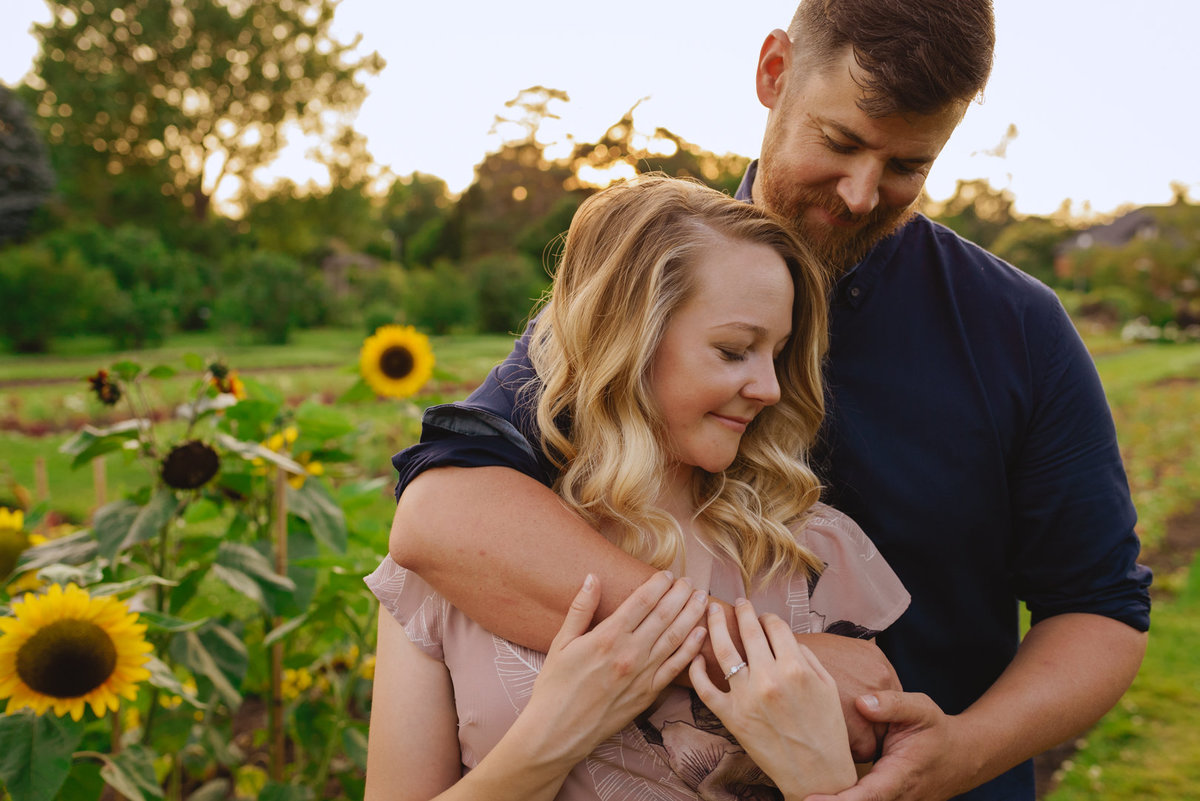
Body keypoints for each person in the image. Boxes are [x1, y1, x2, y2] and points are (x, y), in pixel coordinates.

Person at [385, 2, 1153, 800]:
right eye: (842, 142)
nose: (862, 193)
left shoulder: (1017, 328)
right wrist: (761, 654)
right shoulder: (654, 284)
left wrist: (961, 752)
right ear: (774, 72)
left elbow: (1099, 607)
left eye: (907, 167)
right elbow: (442, 510)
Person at [365, 175, 911, 799]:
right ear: (627, 341)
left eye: (778, 354)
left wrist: (820, 779)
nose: (770, 388)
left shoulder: (815, 559)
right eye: (734, 351)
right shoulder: (454, 566)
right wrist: (554, 734)